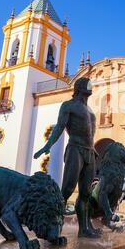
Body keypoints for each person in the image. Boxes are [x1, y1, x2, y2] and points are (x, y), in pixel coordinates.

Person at [34, 77, 100, 238]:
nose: (90, 86)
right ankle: (51, 225)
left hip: (89, 152)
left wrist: (94, 150)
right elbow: (59, 128)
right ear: (79, 87)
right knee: (67, 189)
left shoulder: (90, 111)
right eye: (87, 84)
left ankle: (84, 229)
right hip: (75, 149)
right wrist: (47, 145)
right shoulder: (68, 106)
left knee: (85, 193)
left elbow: (91, 134)